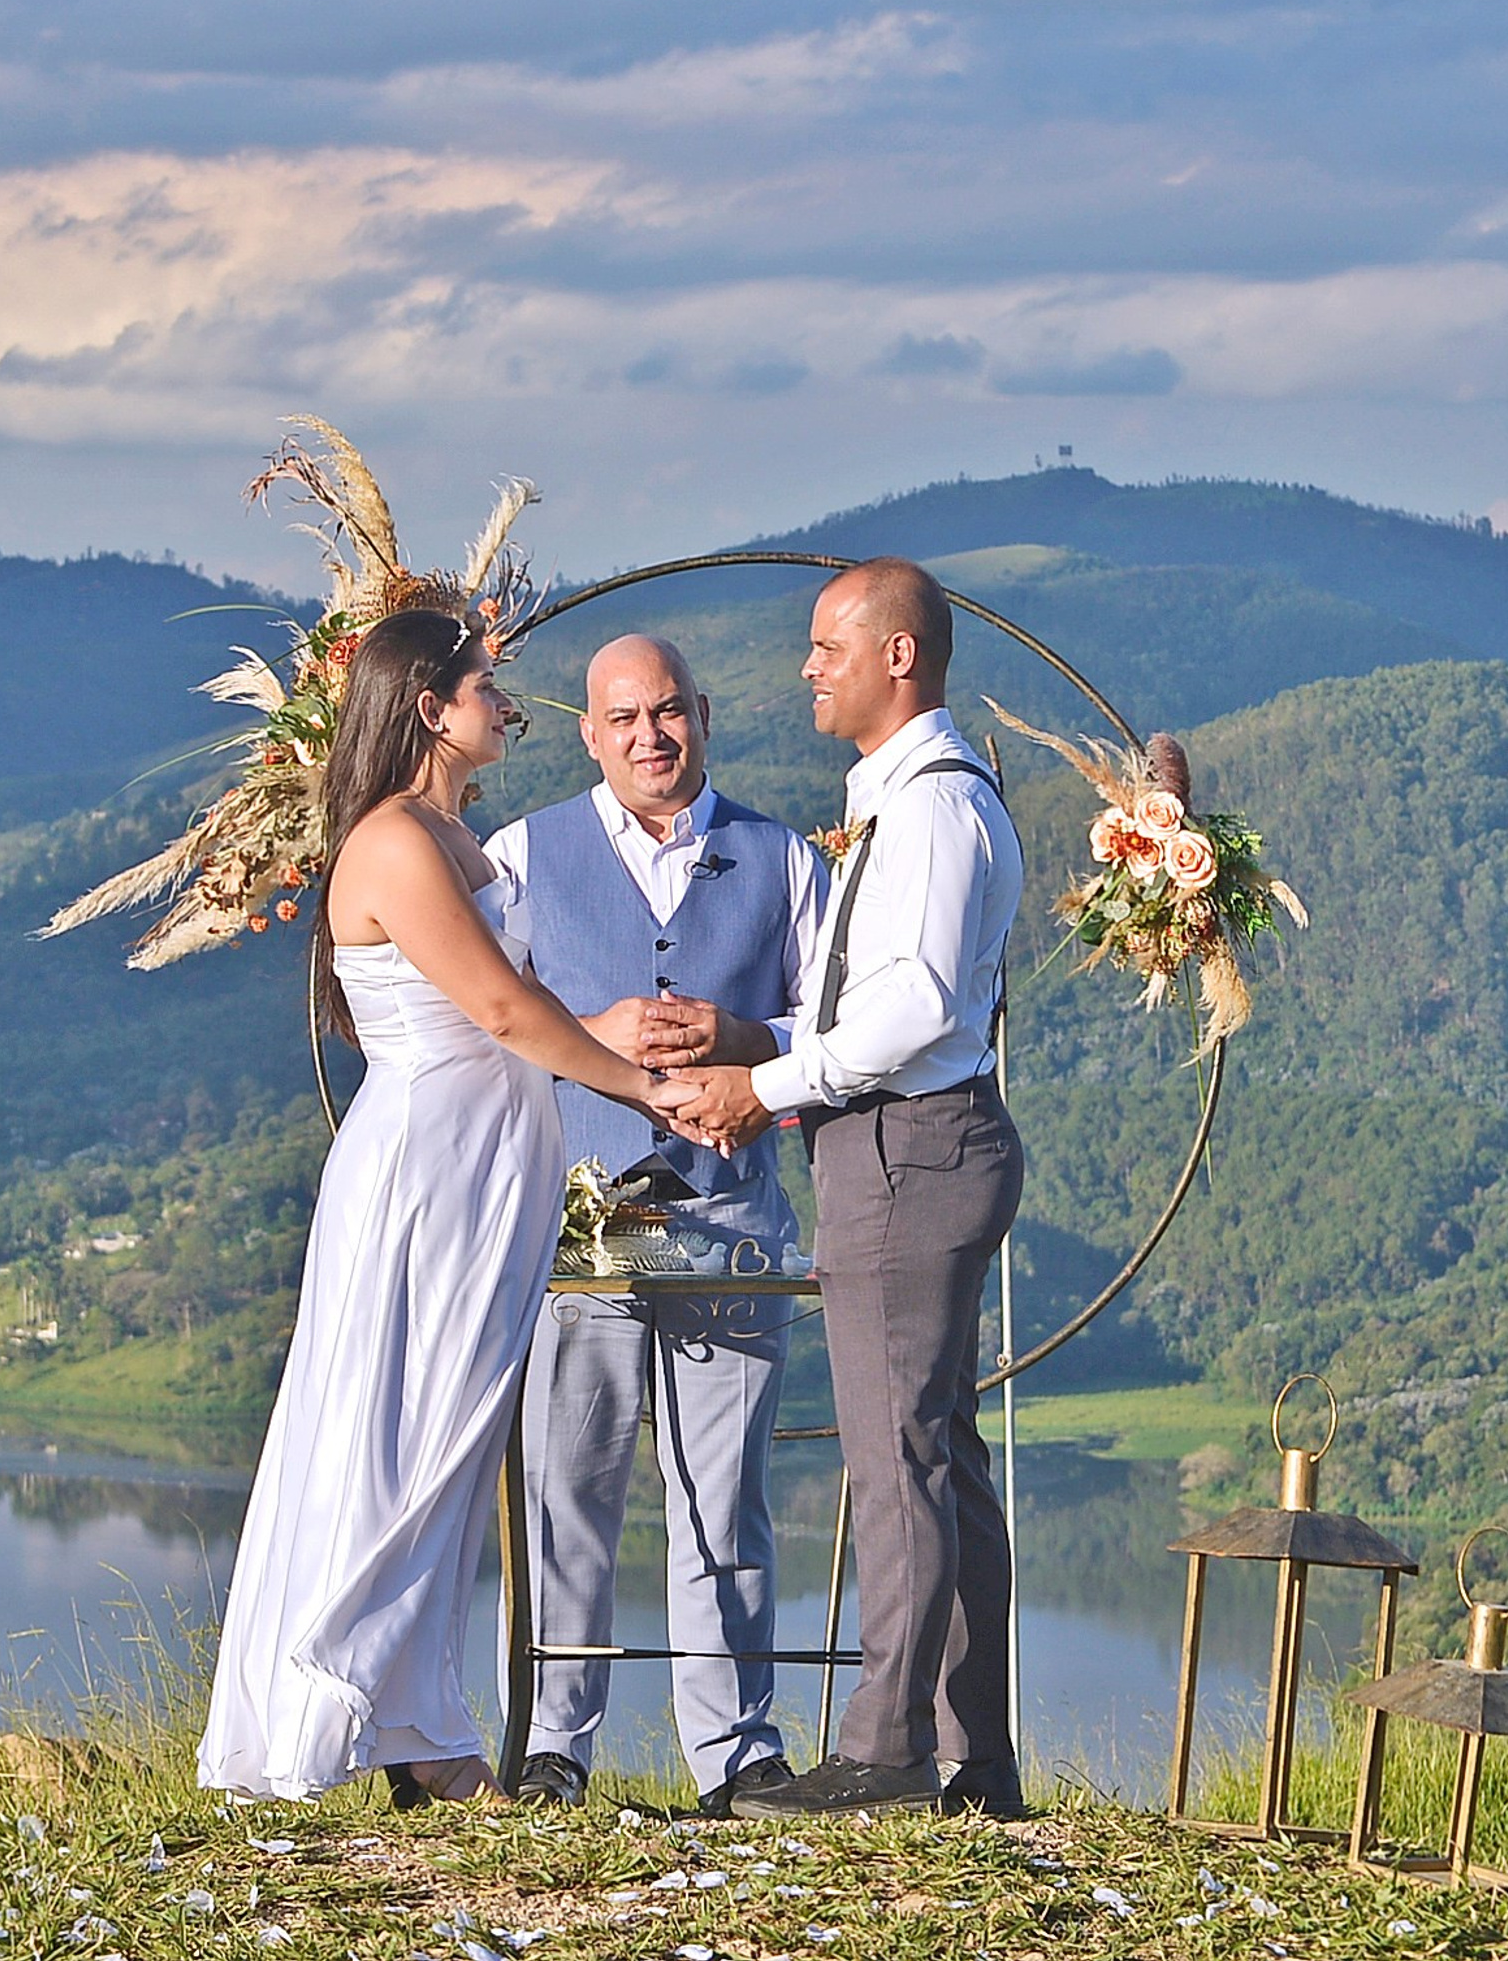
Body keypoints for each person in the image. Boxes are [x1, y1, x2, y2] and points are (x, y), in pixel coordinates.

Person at [196, 607, 697, 1805]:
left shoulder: (454, 836)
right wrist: (646, 1088)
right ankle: (340, 1705)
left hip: (489, 1174)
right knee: (394, 1436)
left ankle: (417, 1723)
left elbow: (532, 999)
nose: (502, 705)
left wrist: (614, 1032)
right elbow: (506, 1015)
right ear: (431, 708)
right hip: (426, 1176)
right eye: (486, 687)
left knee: (454, 1441)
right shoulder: (393, 844)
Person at [671, 559, 1026, 1818]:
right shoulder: (910, 800)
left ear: (897, 657)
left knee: (895, 1455)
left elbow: (918, 1011)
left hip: (905, 1149)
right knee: (936, 1450)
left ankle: (884, 1754)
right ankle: (972, 1754)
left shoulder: (929, 811)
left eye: (828, 645)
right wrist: (749, 1041)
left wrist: (759, 1092)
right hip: (910, 1138)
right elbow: (876, 1004)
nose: (807, 666)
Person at [484, 634, 824, 1817]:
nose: (649, 736)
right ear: (588, 732)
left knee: (721, 1494)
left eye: (668, 712)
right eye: (623, 717)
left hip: (731, 1218)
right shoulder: (523, 853)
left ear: (704, 715)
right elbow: (486, 1023)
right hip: (581, 1220)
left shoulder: (784, 860)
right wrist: (601, 1025)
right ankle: (553, 1746)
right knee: (565, 1483)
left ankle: (735, 1754)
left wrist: (739, 1042)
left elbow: (830, 1032)